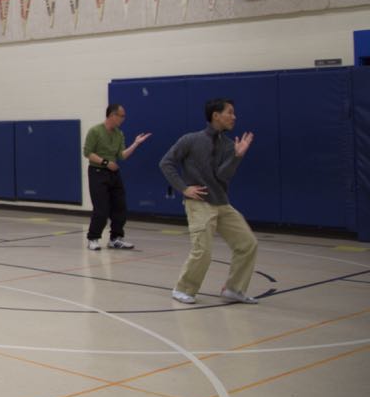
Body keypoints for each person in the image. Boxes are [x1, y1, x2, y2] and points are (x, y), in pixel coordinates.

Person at [159, 98, 260, 305]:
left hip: (221, 203)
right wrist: (184, 188)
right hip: (198, 204)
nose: (234, 117)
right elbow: (166, 163)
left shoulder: (229, 145)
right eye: (229, 112)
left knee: (247, 244)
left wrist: (237, 156)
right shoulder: (190, 139)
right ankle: (183, 289)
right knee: (203, 250)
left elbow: (222, 175)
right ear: (216, 115)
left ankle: (234, 289)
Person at [82, 104, 151, 251]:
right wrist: (106, 163)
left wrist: (136, 144)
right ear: (112, 115)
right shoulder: (95, 131)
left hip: (114, 174)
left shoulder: (119, 134)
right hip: (97, 172)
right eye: (122, 116)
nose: (123, 119)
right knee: (101, 209)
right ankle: (93, 238)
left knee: (120, 207)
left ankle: (116, 239)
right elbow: (88, 153)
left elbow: (122, 155)